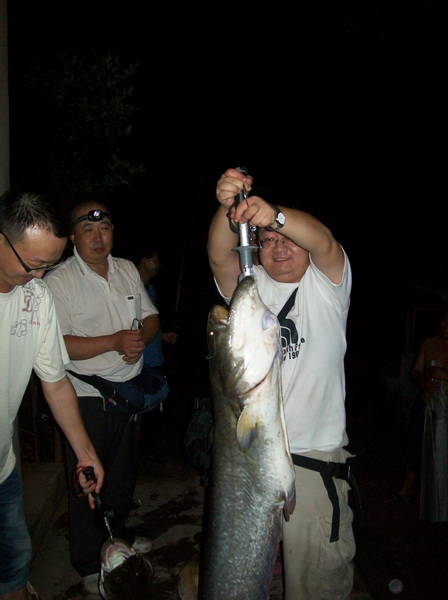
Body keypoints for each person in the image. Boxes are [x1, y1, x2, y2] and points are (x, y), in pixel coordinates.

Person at [207, 168, 355, 599]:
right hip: (248, 460)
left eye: (286, 238)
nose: (278, 246)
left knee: (316, 584)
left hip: (312, 461)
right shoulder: (251, 291)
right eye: (267, 240)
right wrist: (228, 208)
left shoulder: (327, 286)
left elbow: (323, 241)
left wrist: (274, 217)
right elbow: (219, 257)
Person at [45, 200, 160, 596]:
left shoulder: (126, 268)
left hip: (129, 392)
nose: (98, 237)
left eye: (105, 228)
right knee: (87, 481)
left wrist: (140, 339)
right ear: (72, 236)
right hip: (86, 397)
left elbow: (151, 316)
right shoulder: (58, 281)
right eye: (88, 230)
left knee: (123, 475)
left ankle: (118, 538)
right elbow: (56, 345)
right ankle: (87, 558)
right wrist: (113, 341)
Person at [0, 186, 104, 600]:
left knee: (14, 569)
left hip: (3, 470)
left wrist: (86, 453)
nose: (40, 277)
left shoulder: (36, 296)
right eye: (34, 264)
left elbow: (55, 381)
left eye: (50, 265)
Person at [384, 305, 448, 517]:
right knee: (415, 447)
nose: (446, 325)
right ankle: (405, 492)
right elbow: (416, 371)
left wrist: (443, 375)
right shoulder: (430, 343)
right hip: (426, 405)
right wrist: (423, 383)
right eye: (444, 320)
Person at [133, 245, 178, 376]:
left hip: (155, 357)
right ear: (144, 261)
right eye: (156, 261)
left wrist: (162, 335)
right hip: (141, 360)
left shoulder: (150, 288)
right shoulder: (130, 288)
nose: (159, 264)